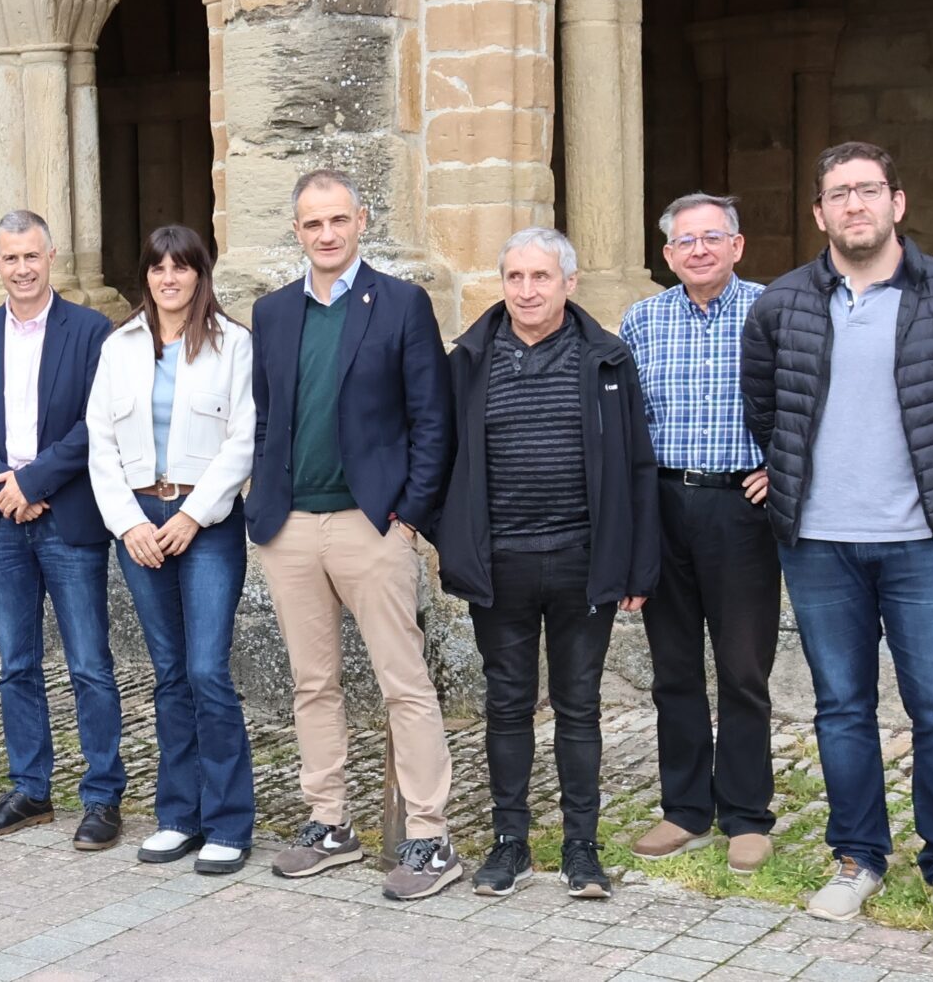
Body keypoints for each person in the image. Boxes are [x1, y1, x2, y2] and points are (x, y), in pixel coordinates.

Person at [741, 142, 933, 937]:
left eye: (867, 190)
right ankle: (857, 857)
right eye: (838, 193)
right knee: (841, 710)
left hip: (926, 543)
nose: (853, 204)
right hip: (819, 543)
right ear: (819, 213)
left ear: (897, 202)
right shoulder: (782, 304)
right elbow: (766, 408)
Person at [245, 170, 458, 900]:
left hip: (372, 525)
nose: (327, 234)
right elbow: (266, 417)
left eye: (338, 220)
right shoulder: (273, 312)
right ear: (297, 231)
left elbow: (433, 420)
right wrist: (263, 504)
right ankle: (329, 823)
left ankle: (430, 835)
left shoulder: (400, 303)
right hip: (291, 527)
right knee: (313, 684)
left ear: (362, 220)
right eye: (313, 223)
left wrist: (408, 516)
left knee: (405, 683)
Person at [434, 229, 657, 900]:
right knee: (506, 705)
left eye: (541, 277)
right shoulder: (469, 360)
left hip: (581, 563)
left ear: (569, 282)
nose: (527, 290)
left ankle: (581, 847)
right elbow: (442, 456)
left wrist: (637, 567)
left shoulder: (607, 359)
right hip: (500, 562)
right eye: (515, 277)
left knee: (578, 705)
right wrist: (452, 539)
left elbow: (637, 465)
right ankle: (510, 842)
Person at [85, 226, 257, 876]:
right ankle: (179, 815)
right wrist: (128, 523)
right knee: (168, 673)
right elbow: (100, 442)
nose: (169, 278)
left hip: (205, 521)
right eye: (157, 268)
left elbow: (243, 439)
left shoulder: (232, 344)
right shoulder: (120, 346)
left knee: (207, 670)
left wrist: (191, 514)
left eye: (181, 267)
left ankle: (228, 822)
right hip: (139, 524)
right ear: (146, 278)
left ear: (199, 274)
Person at [0, 210, 121, 849]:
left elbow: (96, 423)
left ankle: (102, 796)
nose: (21, 268)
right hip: (1, 521)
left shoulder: (92, 331)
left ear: (51, 257)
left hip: (68, 518)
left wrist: (35, 482)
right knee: (16, 664)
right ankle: (31, 790)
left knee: (89, 665)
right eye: (10, 258)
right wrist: (7, 488)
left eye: (31, 256)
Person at [619, 193, 777, 875]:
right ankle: (685, 808)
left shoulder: (772, 311)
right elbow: (625, 421)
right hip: (663, 506)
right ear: (667, 254)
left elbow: (813, 397)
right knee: (674, 668)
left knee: (743, 667)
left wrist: (784, 466)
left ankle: (746, 814)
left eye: (712, 237)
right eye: (685, 241)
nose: (699, 250)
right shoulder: (642, 320)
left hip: (741, 508)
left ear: (737, 245)